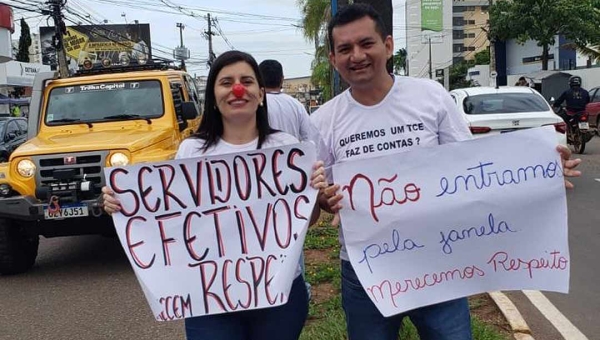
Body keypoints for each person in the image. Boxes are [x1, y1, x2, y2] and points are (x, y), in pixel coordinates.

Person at [310, 4, 581, 340]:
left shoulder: (430, 97)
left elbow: (474, 168)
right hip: (366, 271)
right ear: (334, 59)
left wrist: (540, 172)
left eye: (367, 44)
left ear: (388, 45)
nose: (357, 56)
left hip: (438, 261)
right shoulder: (322, 121)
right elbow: (318, 198)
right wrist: (323, 198)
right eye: (345, 49)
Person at [102, 50, 328, 340]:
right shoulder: (191, 151)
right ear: (213, 95)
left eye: (246, 81)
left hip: (278, 292)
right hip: (209, 298)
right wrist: (122, 203)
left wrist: (312, 190)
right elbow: (171, 218)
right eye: (226, 82)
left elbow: (307, 221)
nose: (237, 89)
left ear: (260, 93)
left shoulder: (286, 148)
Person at [258, 58, 322, 297]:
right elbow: (310, 141)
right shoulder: (294, 105)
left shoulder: (254, 105)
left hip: (258, 186)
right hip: (291, 184)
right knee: (292, 237)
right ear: (282, 79)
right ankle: (297, 289)